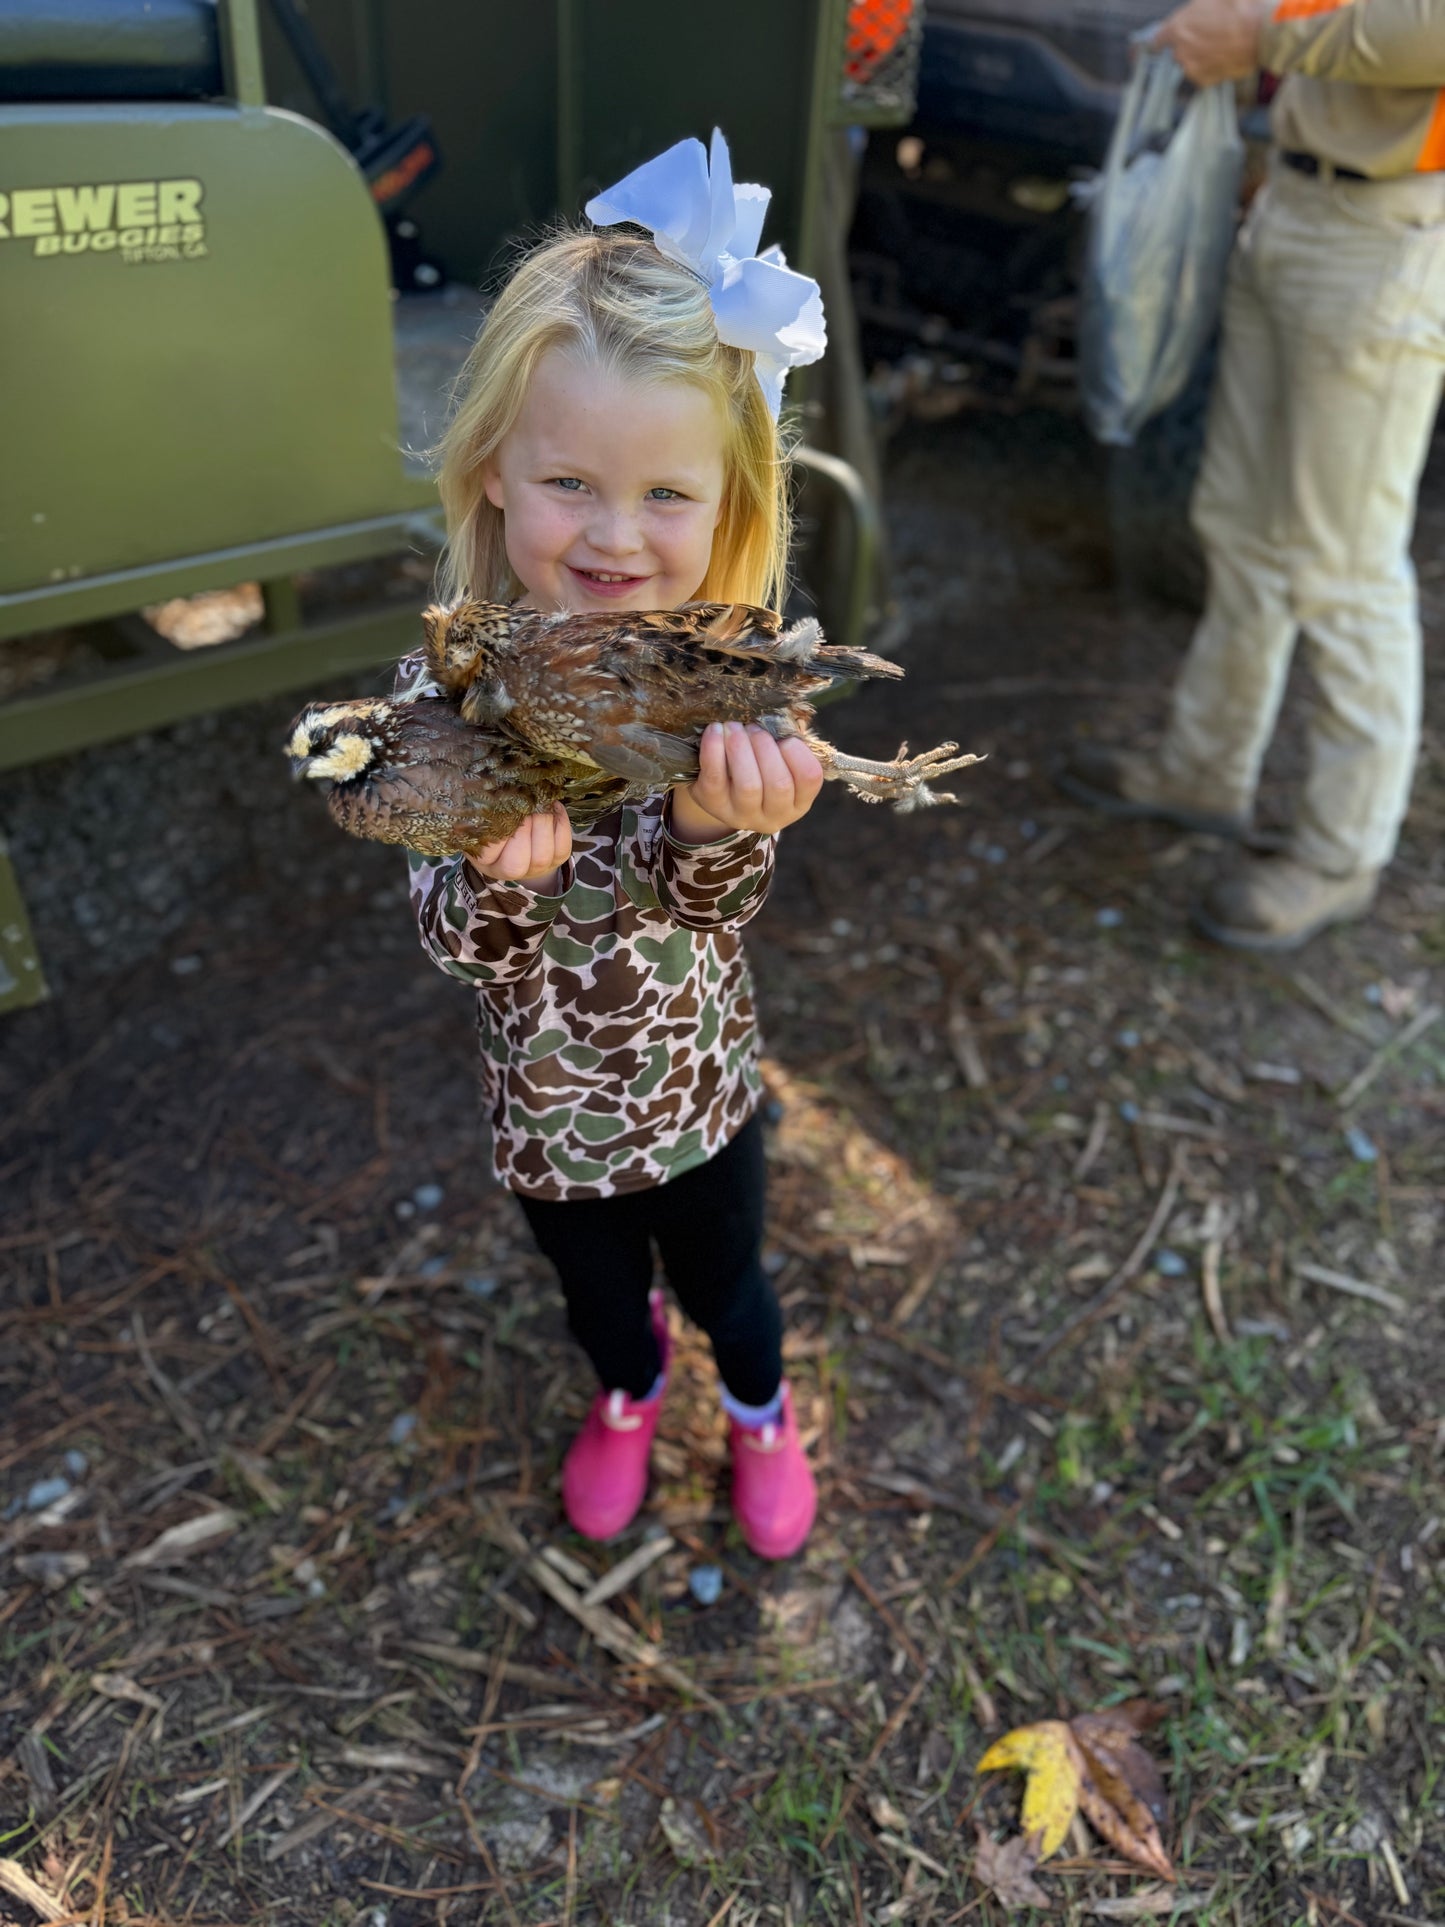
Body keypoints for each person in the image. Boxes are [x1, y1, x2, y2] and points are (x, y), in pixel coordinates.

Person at [399, 133, 828, 1558]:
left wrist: (714, 823)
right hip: (550, 1110)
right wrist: (488, 875)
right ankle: (631, 1387)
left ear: (728, 508)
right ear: (495, 479)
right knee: (597, 1293)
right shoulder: (449, 692)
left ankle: (759, 1406)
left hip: (699, 1089)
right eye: (570, 482)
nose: (614, 536)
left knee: (732, 1281)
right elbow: (454, 942)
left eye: (665, 495)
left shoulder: (716, 674)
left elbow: (714, 912)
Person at [1061, 0, 1445, 950]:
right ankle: (1204, 768)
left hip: (1392, 229)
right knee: (1235, 517)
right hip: (1294, 201)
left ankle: (1340, 853)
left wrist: (1259, 38)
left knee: (1344, 562)